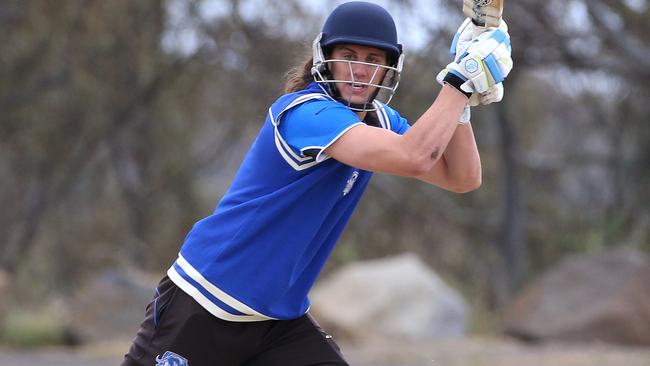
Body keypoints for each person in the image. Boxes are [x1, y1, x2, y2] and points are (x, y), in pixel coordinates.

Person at [121, 2, 512, 366]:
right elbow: (414, 156)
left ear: (390, 67)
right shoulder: (305, 112)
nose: (361, 70)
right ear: (326, 57)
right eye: (349, 57)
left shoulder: (381, 119)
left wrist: (462, 102)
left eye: (374, 60)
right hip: (203, 303)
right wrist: (459, 82)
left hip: (277, 323)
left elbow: (461, 178)